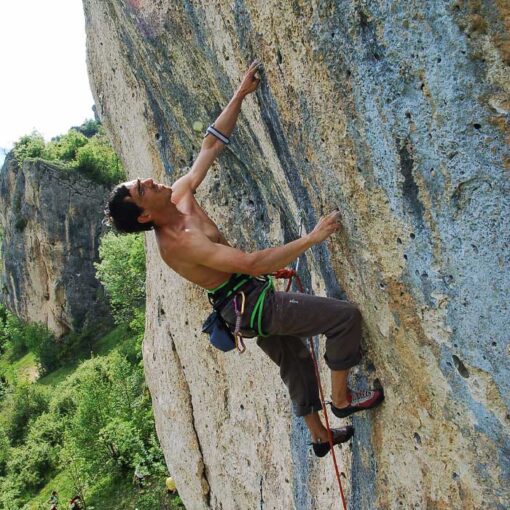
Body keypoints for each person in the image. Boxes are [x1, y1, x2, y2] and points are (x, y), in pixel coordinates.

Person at [105, 61, 384, 458]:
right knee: (345, 318)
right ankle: (341, 398)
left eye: (141, 181)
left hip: (241, 305)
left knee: (295, 360)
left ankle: (320, 434)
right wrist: (313, 237)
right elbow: (252, 264)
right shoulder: (178, 243)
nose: (148, 181)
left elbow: (211, 145)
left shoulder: (179, 196)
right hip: (255, 304)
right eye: (141, 189)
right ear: (145, 214)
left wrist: (240, 93)